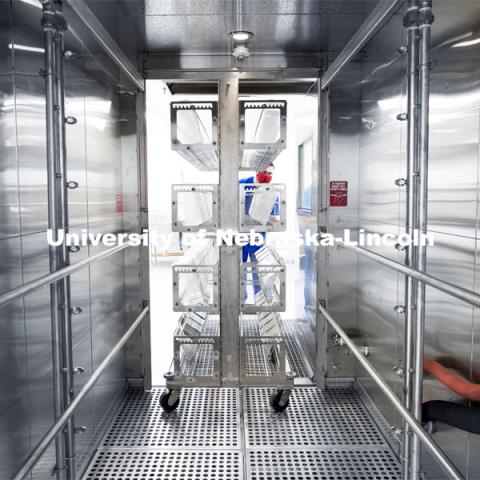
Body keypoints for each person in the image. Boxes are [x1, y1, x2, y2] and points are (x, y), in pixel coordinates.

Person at [239, 164, 278, 297]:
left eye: (270, 173)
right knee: (239, 268)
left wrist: (272, 220)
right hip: (240, 236)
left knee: (258, 270)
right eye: (264, 172)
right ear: (256, 170)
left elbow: (273, 216)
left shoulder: (271, 191)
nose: (266, 176)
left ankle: (259, 300)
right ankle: (240, 300)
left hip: (258, 237)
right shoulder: (241, 184)